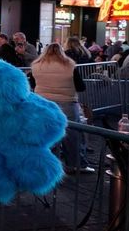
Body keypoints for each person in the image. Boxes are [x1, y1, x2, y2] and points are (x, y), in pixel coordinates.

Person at [29, 43, 93, 174]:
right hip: (67, 104)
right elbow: (81, 86)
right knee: (72, 136)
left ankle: (41, 165)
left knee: (44, 135)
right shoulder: (70, 66)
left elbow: (32, 84)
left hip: (43, 104)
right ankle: (75, 164)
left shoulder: (36, 66)